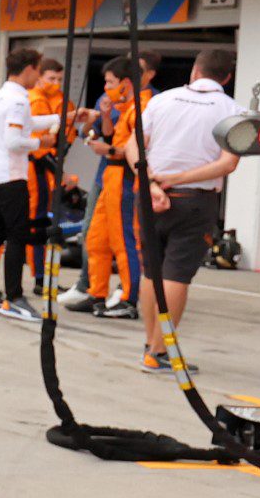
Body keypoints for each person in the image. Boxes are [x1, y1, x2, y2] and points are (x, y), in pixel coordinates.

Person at [128, 48, 239, 375]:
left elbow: (132, 144)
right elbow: (228, 163)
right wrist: (179, 178)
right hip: (193, 200)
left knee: (152, 271)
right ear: (227, 77)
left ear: (194, 71)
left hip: (151, 196)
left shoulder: (162, 100)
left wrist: (149, 181)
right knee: (176, 275)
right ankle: (159, 351)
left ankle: (151, 346)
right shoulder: (231, 110)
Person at [0, 47, 58, 321]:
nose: (38, 77)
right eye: (38, 71)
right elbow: (15, 141)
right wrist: (41, 143)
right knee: (17, 237)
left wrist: (61, 119)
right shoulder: (19, 101)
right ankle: (14, 297)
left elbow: (25, 124)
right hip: (11, 178)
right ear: (29, 69)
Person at [65, 54, 149, 318]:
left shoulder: (144, 108)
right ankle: (96, 291)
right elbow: (113, 136)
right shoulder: (125, 109)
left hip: (125, 179)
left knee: (124, 240)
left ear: (125, 83)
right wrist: (104, 117)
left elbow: (140, 148)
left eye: (111, 82)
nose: (106, 87)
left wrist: (110, 148)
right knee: (96, 238)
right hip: (109, 179)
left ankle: (129, 297)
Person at [25, 56, 67, 291]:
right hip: (34, 168)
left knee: (41, 222)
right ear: (39, 77)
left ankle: (42, 275)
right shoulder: (36, 102)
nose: (56, 83)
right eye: (51, 78)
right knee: (37, 223)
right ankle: (40, 277)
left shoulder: (51, 101)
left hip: (42, 168)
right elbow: (39, 145)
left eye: (59, 79)